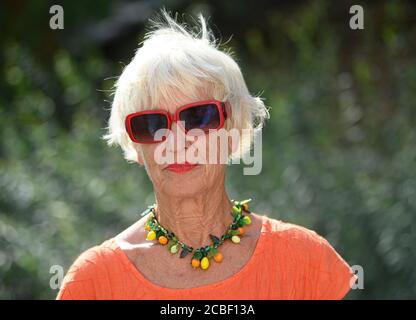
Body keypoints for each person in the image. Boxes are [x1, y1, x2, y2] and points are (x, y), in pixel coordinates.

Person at [56, 10, 355, 300]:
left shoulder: (305, 262)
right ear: (135, 145)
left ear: (234, 127)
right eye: (151, 124)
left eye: (198, 117)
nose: (175, 140)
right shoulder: (93, 283)